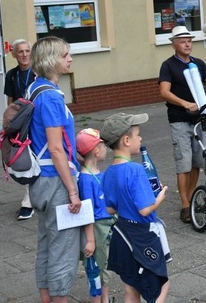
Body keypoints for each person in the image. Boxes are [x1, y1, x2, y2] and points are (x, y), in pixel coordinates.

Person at [27, 36, 81, 303]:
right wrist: (72, 190)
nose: (70, 59)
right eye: (64, 55)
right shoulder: (50, 97)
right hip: (55, 180)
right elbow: (56, 148)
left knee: (47, 243)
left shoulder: (34, 89)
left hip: (39, 180)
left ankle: (47, 298)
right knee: (64, 247)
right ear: (51, 61)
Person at [101, 112, 171, 303]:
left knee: (131, 287)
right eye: (137, 134)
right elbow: (145, 210)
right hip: (143, 236)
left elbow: (109, 209)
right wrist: (159, 197)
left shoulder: (108, 173)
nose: (140, 138)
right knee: (161, 285)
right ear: (126, 140)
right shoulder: (136, 170)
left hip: (123, 235)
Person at [158, 25, 206, 223]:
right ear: (174, 45)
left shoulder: (198, 63)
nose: (187, 44)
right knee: (183, 163)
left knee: (197, 162)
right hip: (180, 120)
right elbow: (164, 92)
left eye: (189, 40)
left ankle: (191, 197)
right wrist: (184, 103)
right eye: (182, 41)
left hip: (200, 119)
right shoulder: (168, 65)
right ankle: (185, 205)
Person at [76, 128, 115, 303]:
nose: (107, 149)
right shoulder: (86, 179)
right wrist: (90, 240)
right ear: (97, 151)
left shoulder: (98, 173)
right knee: (95, 269)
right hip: (97, 229)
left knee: (104, 266)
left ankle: (105, 300)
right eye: (104, 146)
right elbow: (87, 212)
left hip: (106, 227)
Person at [4, 39, 37, 220]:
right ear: (14, 54)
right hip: (21, 123)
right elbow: (10, 103)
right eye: (20, 51)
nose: (24, 54)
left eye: (27, 51)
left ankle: (31, 200)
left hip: (37, 120)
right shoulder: (12, 75)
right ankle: (29, 200)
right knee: (25, 159)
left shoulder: (37, 73)